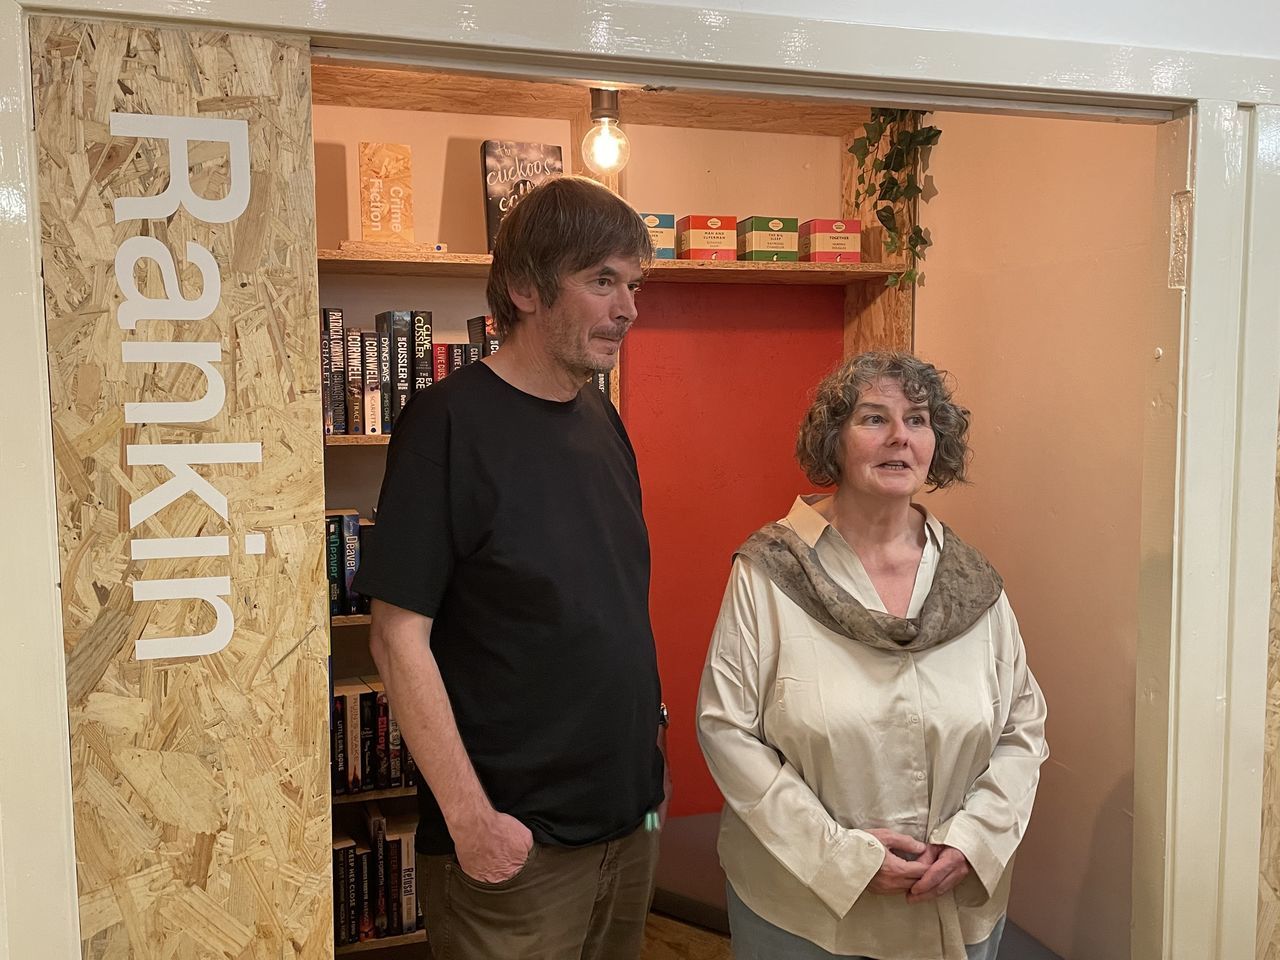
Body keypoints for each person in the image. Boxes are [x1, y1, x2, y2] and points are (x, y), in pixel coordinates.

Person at [352, 176, 668, 960]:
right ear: (525, 287)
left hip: (625, 828)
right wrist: (470, 820)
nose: (627, 309)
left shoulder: (602, 417)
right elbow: (397, 638)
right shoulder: (447, 423)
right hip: (515, 848)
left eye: (633, 284)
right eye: (601, 281)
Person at [697, 351, 1048, 960]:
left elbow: (1022, 727)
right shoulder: (768, 574)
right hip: (804, 911)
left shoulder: (972, 583)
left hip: (950, 899)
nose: (899, 438)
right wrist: (842, 859)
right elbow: (727, 731)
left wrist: (974, 840)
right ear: (834, 440)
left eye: (917, 419)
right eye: (873, 418)